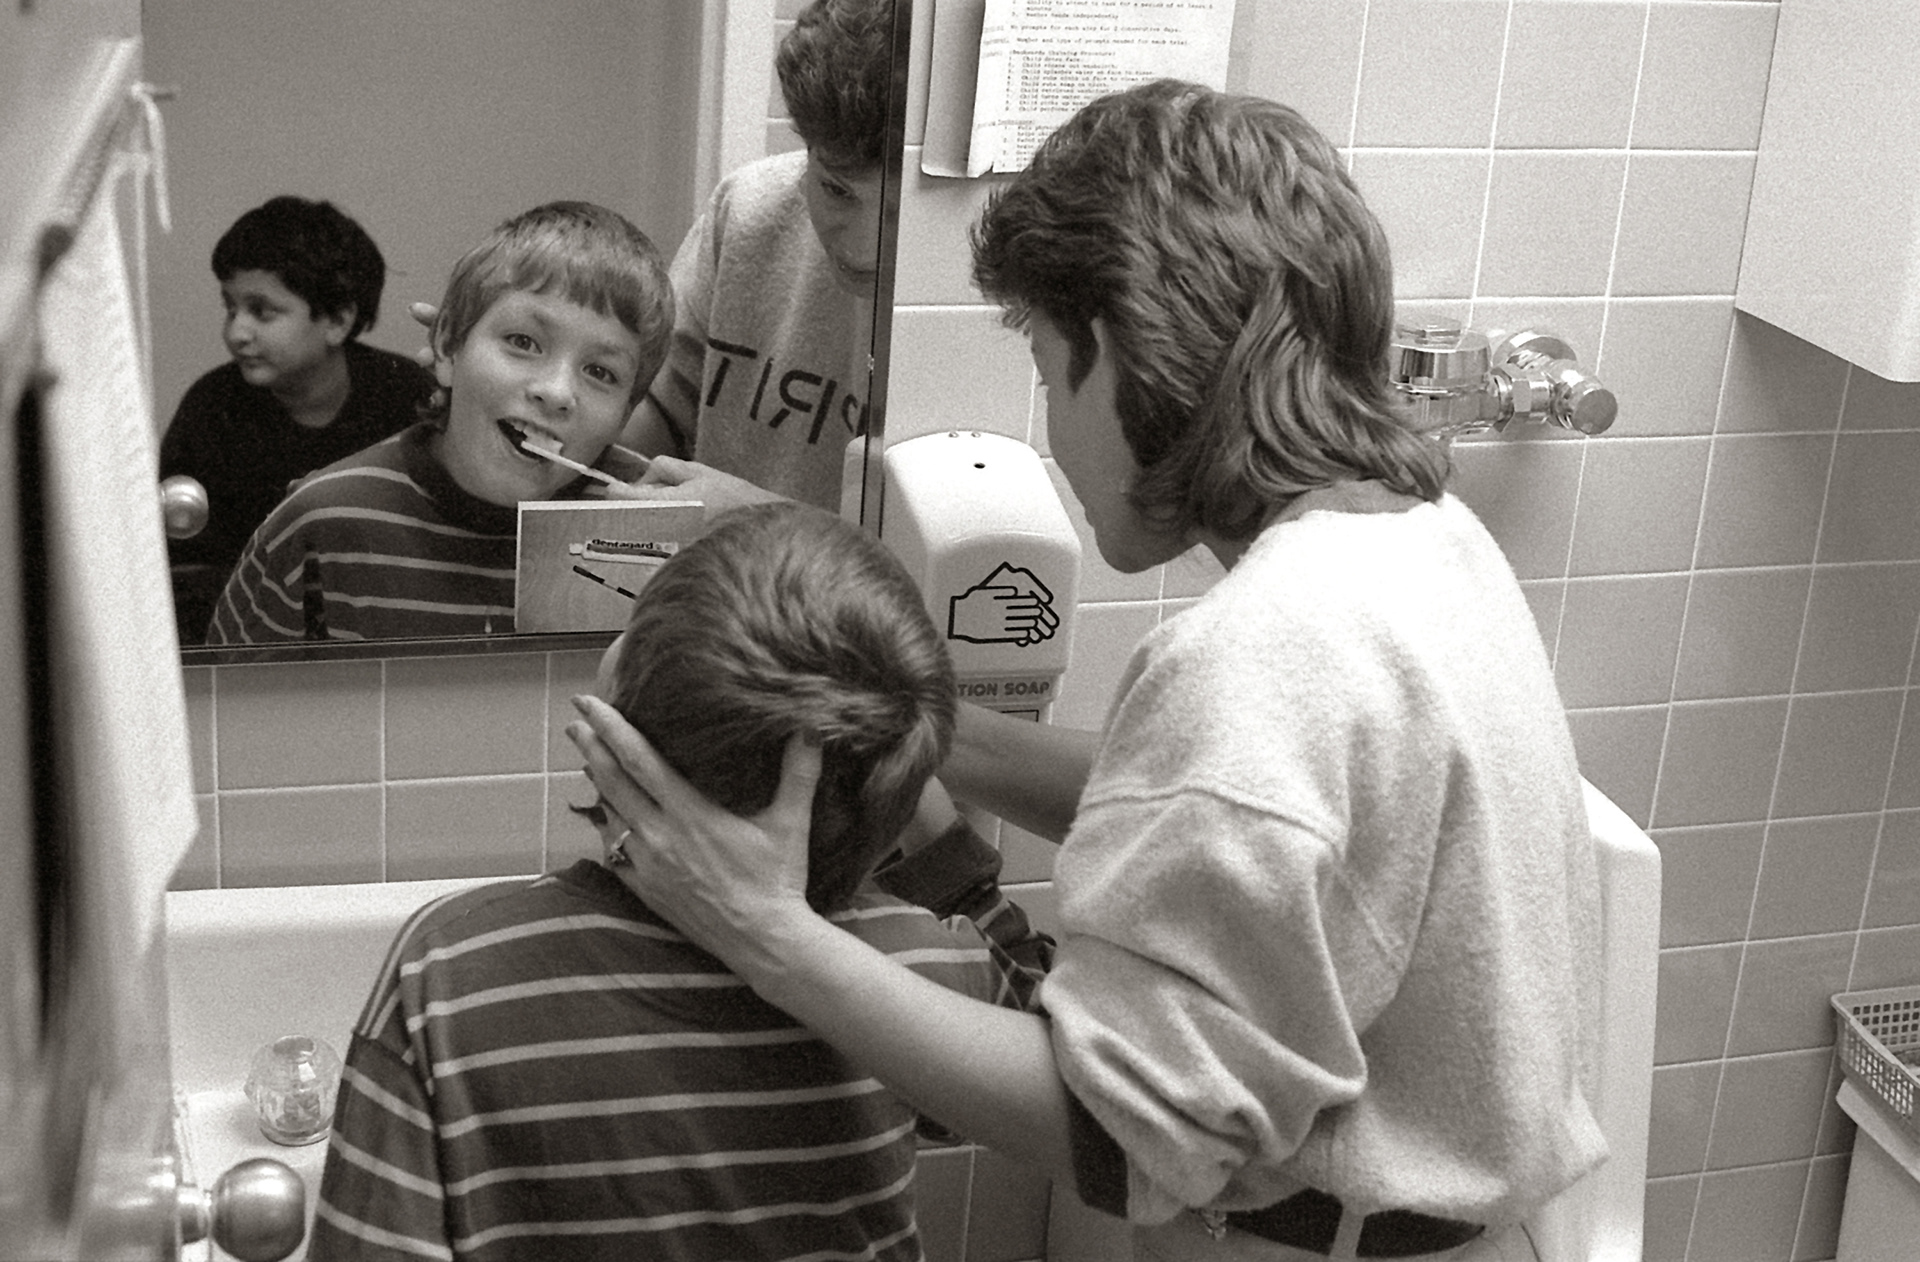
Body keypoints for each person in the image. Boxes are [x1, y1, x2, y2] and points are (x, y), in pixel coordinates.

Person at [570, 80, 1608, 1261]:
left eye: (1049, 362)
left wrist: (763, 929)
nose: (1057, 435)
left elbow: (1119, 1134)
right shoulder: (1422, 541)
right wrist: (919, 725)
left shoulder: (1267, 649)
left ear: (1110, 349)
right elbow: (1244, 819)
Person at [307, 502, 1049, 1262]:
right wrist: (940, 847)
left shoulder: (450, 978)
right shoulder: (920, 965)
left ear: (622, 717)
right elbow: (1060, 1055)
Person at [206, 201, 670, 643]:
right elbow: (223, 715)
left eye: (600, 373)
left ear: (625, 415)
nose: (556, 392)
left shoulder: (656, 533)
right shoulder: (320, 524)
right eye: (523, 342)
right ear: (448, 346)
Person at [616, 0, 893, 515]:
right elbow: (659, 410)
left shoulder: (985, 285)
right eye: (835, 189)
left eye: (896, 212)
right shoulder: (748, 210)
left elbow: (954, 567)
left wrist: (756, 520)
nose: (859, 247)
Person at [159, 195, 436, 643]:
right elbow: (182, 569)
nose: (236, 332)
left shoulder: (405, 397)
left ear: (338, 320)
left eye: (261, 311)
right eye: (230, 308)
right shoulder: (212, 408)